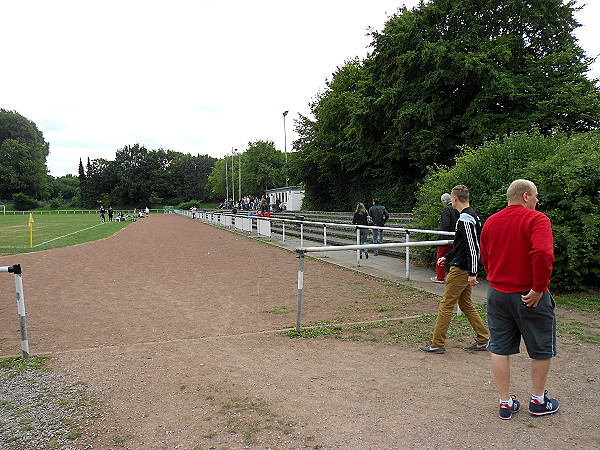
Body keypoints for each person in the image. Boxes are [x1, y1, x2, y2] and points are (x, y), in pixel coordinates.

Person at [481, 179, 559, 420]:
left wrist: (496, 278)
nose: (538, 200)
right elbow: (544, 253)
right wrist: (539, 287)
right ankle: (538, 400)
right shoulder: (537, 219)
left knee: (499, 347)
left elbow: (487, 255)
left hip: (497, 293)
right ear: (525, 196)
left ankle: (505, 403)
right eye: (535, 195)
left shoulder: (491, 221)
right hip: (529, 294)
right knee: (541, 346)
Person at [420, 184, 489, 354]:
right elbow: (462, 245)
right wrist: (448, 257)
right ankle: (483, 338)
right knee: (465, 304)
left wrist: (473, 273)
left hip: (461, 270)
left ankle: (437, 343)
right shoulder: (471, 216)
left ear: (454, 199)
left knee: (446, 304)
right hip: (462, 266)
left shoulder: (465, 219)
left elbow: (472, 247)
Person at [431, 193, 459, 283]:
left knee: (440, 257)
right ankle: (454, 277)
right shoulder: (458, 209)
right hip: (456, 238)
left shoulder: (447, 209)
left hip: (445, 238)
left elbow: (445, 225)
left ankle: (440, 277)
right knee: (453, 258)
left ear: (444, 201)